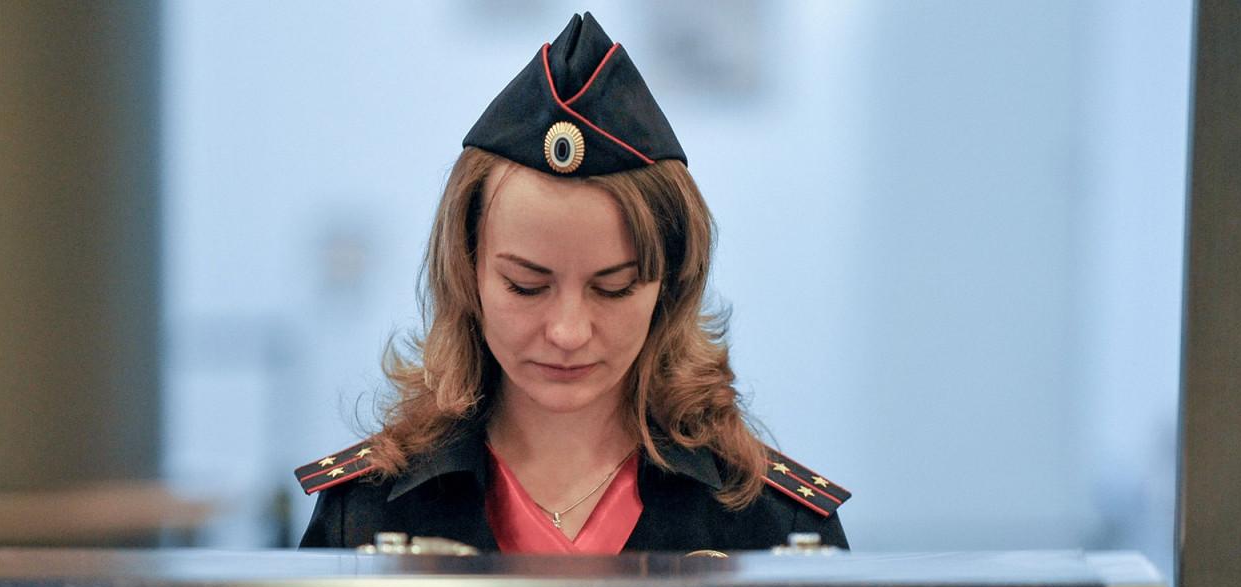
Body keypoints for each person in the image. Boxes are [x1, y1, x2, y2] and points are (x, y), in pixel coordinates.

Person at [296, 12, 849, 554]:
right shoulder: (367, 514)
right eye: (525, 285)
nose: (567, 332)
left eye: (613, 289)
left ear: (671, 287)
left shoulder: (770, 523)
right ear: (468, 274)